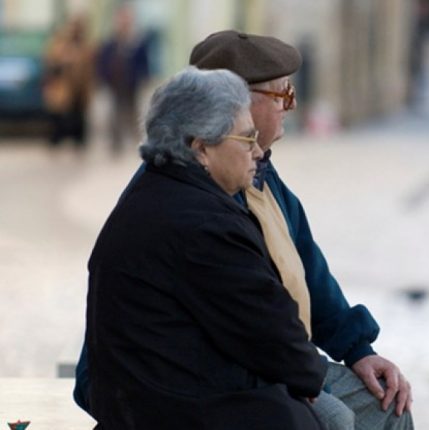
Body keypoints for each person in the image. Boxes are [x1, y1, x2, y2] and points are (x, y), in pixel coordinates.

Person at [75, 31, 413, 429]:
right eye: (282, 94)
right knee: (334, 417)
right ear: (232, 103)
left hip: (264, 362)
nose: (291, 106)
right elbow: (253, 322)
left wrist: (357, 349)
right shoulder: (190, 204)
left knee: (384, 407)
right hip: (216, 379)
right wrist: (299, 379)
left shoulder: (253, 175)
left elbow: (307, 273)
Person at [86, 66, 327, 428]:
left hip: (153, 404)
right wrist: (309, 375)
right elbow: (273, 335)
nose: (258, 151)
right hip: (183, 412)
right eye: (247, 138)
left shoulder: (157, 193)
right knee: (342, 414)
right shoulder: (204, 225)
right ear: (201, 149)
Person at [96, 4, 150, 155]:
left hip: (131, 83)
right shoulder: (110, 42)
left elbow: (143, 63)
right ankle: (116, 142)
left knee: (132, 112)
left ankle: (135, 141)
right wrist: (103, 78)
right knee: (114, 113)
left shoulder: (136, 42)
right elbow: (102, 61)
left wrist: (144, 78)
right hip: (114, 83)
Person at [42, 15, 93, 150]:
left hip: (80, 88)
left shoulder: (85, 46)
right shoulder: (60, 44)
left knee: (78, 116)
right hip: (62, 87)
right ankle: (56, 140)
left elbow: (89, 68)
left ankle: (78, 141)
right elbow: (51, 63)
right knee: (59, 116)